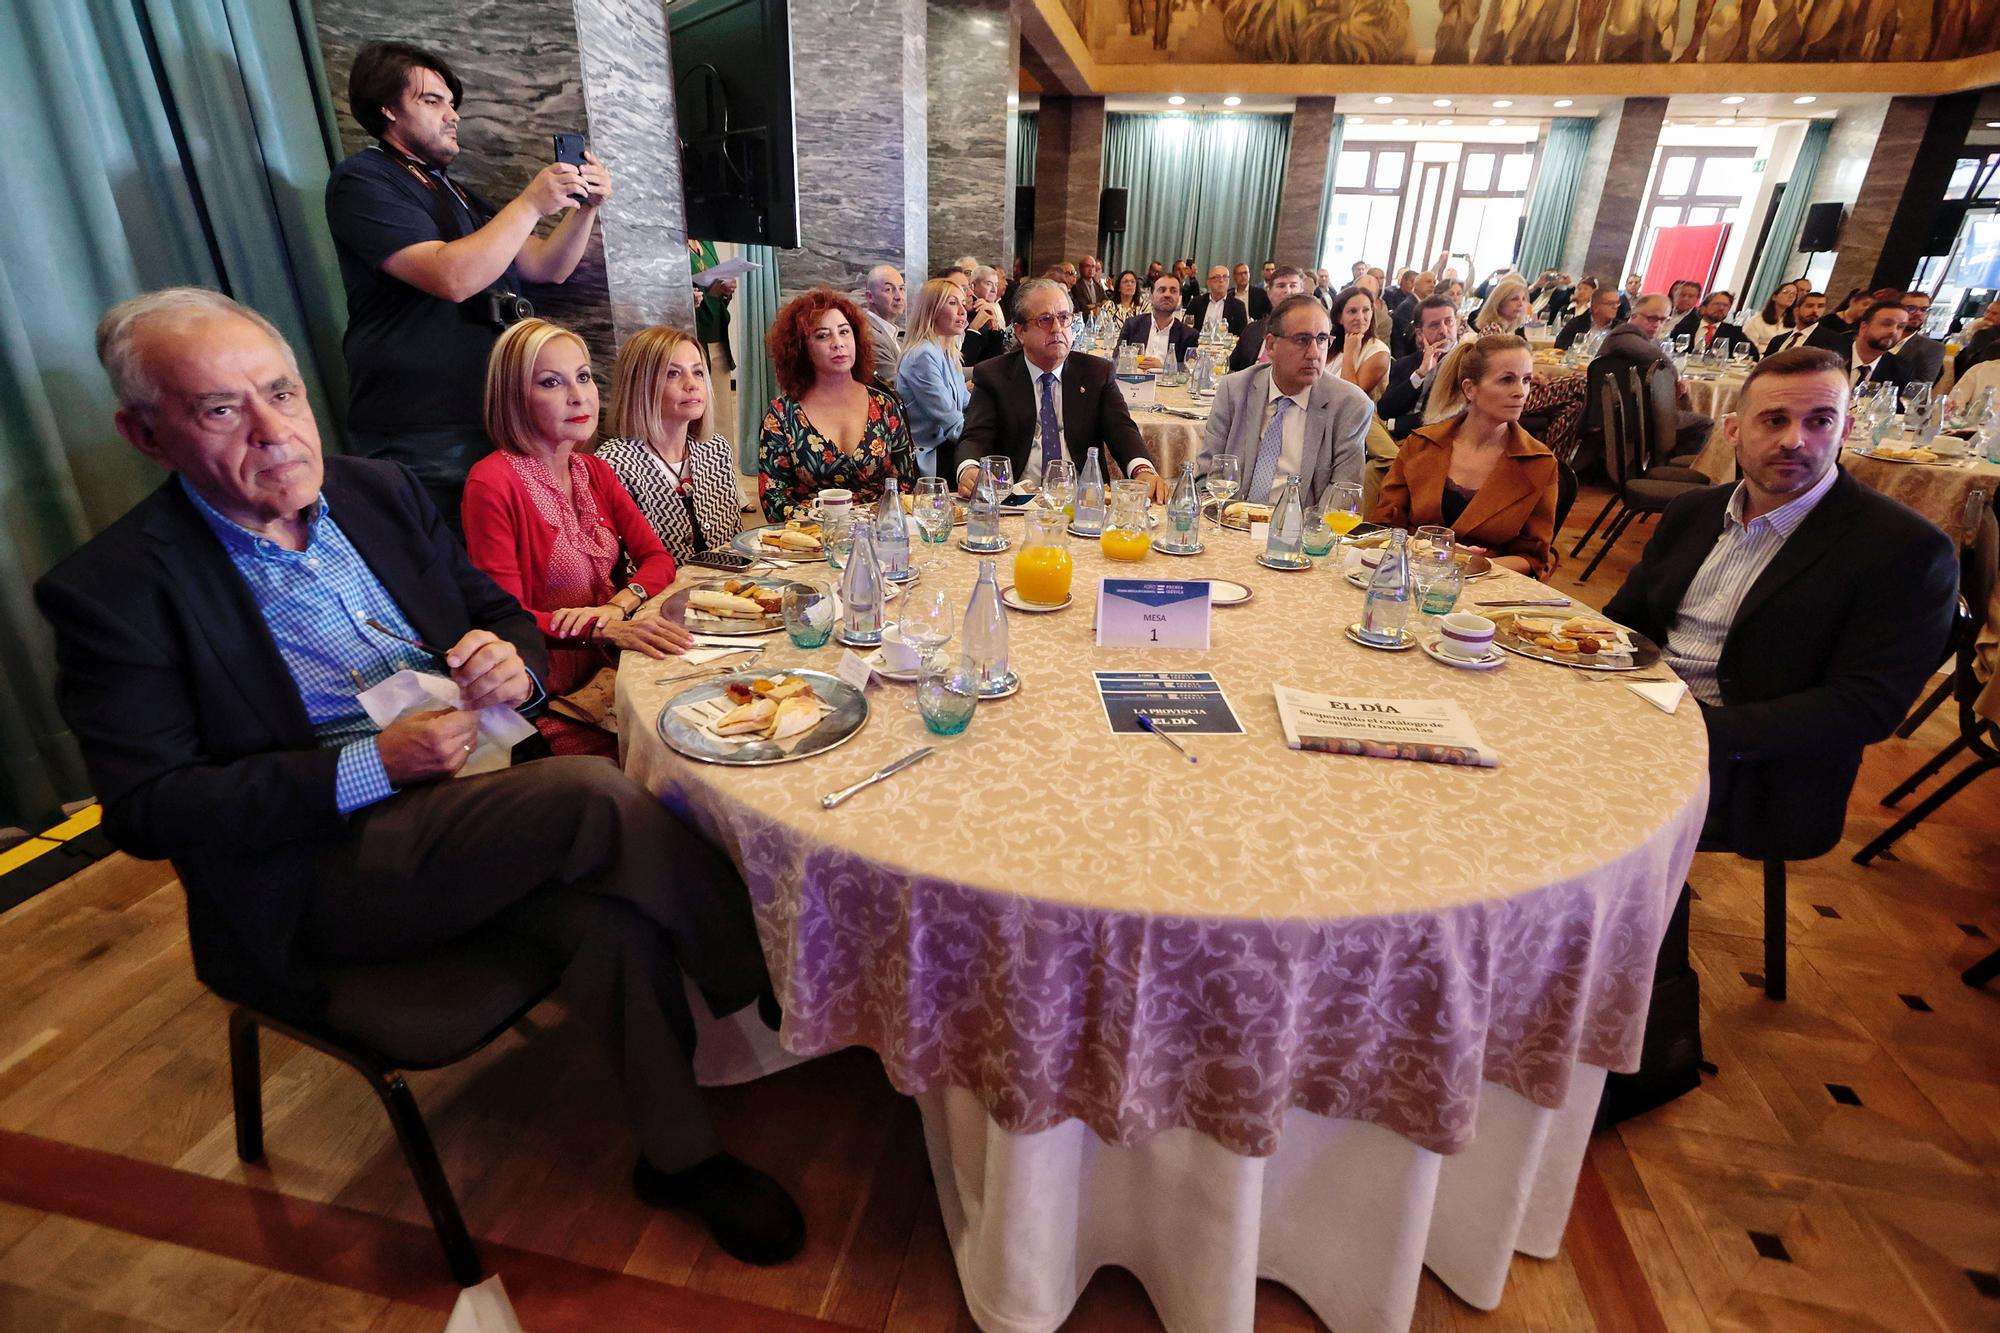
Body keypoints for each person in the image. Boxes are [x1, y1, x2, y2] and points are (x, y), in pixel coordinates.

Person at [39, 288, 805, 1264]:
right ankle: (765, 983)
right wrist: (367, 766)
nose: (275, 430)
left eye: (282, 392)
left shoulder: (375, 492)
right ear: (146, 434)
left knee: (609, 921)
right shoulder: (115, 590)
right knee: (593, 795)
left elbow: (507, 616)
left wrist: (507, 660)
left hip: (473, 798)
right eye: (222, 408)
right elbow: (149, 809)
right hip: (321, 868)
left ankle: (679, 1156)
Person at [1603, 346, 1957, 859]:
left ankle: (1634, 933)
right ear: (1733, 430)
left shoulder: (1904, 549)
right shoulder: (1694, 511)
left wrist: (1691, 733)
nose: (1795, 441)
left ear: (1846, 429)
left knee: (1566, 811)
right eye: (1774, 420)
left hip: (1754, 768)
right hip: (1641, 717)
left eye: (1819, 421)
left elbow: (1868, 706)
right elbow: (1625, 621)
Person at [324, 40, 613, 531]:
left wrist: (585, 208)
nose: (452, 115)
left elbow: (546, 267)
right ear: (387, 109)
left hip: (492, 413)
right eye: (432, 101)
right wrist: (529, 204)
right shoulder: (363, 180)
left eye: (452, 104)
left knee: (503, 571)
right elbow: (452, 277)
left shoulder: (454, 188)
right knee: (450, 572)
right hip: (421, 425)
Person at [461, 319, 686, 757]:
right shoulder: (492, 482)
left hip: (617, 665)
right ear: (514, 399)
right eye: (551, 382)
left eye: (583, 377)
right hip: (550, 694)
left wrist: (619, 606)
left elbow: (658, 559)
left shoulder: (593, 470)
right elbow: (509, 618)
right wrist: (602, 627)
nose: (578, 395)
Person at [953, 278, 1166, 501]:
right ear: (1020, 332)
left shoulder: (1096, 373)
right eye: (1045, 320)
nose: (1057, 329)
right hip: (1015, 500)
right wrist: (969, 469)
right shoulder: (994, 375)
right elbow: (975, 437)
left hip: (1084, 500)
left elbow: (1122, 430)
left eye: (1064, 318)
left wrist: (1143, 470)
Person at [1371, 334, 1558, 577]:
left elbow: (1534, 558)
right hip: (1410, 575)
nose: (1520, 392)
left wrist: (1474, 564)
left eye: (1526, 380)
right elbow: (1385, 526)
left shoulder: (1538, 463)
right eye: (1507, 380)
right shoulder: (1421, 445)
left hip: (1487, 590)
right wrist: (1436, 552)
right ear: (1470, 389)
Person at [1195, 295, 1372, 508]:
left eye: (1322, 339)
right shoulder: (1234, 390)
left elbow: (1342, 499)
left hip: (1301, 532)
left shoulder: (1350, 406)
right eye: (1302, 340)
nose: (1315, 353)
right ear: (1271, 345)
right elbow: (1206, 478)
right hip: (1231, 523)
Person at [759, 287, 917, 520]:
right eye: (822, 335)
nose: (838, 343)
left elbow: (906, 483)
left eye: (844, 332)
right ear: (802, 348)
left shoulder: (884, 404)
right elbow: (773, 499)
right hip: (810, 540)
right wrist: (829, 521)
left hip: (878, 532)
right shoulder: (782, 415)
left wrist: (866, 521)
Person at [598, 325, 744, 566]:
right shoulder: (613, 464)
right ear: (641, 385)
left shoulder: (715, 449)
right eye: (672, 374)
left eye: (698, 372)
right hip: (655, 599)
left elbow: (734, 547)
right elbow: (624, 568)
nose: (692, 384)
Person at [1591, 294, 1715, 459]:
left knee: (1690, 418)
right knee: (1704, 423)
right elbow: (1661, 362)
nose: (1657, 324)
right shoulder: (1623, 336)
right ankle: (1677, 472)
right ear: (1634, 315)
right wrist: (1677, 379)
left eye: (1663, 320)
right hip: (1628, 415)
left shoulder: (1648, 340)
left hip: (1636, 411)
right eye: (1652, 318)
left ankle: (1664, 465)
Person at [896, 277, 973, 477]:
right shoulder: (923, 355)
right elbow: (950, 421)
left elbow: (967, 404)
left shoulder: (948, 352)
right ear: (932, 309)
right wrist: (983, 441)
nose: (963, 311)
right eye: (953, 303)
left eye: (963, 304)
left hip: (948, 446)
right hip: (930, 455)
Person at [1378, 296, 1461, 439]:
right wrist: (1420, 374)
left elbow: (1449, 413)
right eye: (1434, 325)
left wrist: (1394, 424)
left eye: (1449, 322)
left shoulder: (1466, 362)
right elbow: (1385, 410)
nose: (1444, 330)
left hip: (1437, 437)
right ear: (1420, 333)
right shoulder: (1406, 363)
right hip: (1396, 437)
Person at [688, 239, 738, 450]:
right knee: (697, 423)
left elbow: (714, 296)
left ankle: (724, 474)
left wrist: (725, 291)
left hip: (717, 340)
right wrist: (685, 299)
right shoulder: (666, 242)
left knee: (722, 419)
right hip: (690, 343)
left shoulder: (705, 242)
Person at [1227, 266, 1310, 372]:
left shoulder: (1311, 333)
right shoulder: (1253, 330)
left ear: (1301, 291)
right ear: (1269, 292)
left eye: (1293, 286)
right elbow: (1232, 366)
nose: (1288, 291)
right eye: (1281, 286)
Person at [1328, 285, 1393, 397]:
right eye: (1353, 311)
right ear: (1339, 318)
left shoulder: (1379, 352)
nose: (1360, 317)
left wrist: (1349, 355)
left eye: (1366, 310)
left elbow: (1350, 398)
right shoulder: (1330, 344)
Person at [1122, 273, 1198, 366]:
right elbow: (1116, 359)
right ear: (1151, 296)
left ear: (1179, 298)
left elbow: (1190, 368)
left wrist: (1164, 367)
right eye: (1162, 290)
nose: (1167, 294)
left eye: (1173, 291)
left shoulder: (1189, 335)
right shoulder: (1132, 325)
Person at [1846, 300, 1913, 392]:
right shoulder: (1829, 355)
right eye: (1886, 324)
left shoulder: (1900, 370)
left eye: (1900, 326)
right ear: (1864, 327)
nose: (1894, 331)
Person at [1672, 290, 1757, 358]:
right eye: (1717, 304)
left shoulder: (1734, 332)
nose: (1721, 308)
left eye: (1726, 305)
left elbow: (1753, 354)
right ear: (1703, 309)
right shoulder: (1684, 327)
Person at [859, 264, 906, 385]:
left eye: (901, 289)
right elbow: (896, 385)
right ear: (870, 297)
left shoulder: (901, 333)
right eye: (889, 289)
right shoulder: (869, 334)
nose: (899, 297)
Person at [1893, 290, 1945, 386]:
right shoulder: (1880, 337)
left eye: (1924, 310)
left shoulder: (1932, 348)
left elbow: (1921, 386)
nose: (1918, 314)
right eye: (1911, 308)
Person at [962, 265, 1009, 367]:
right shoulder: (968, 312)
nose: (994, 290)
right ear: (973, 286)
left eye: (996, 285)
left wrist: (995, 328)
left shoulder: (994, 307)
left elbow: (994, 357)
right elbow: (965, 363)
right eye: (989, 284)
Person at [1554, 284, 1623, 351]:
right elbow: (1559, 349)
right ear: (1595, 307)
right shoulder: (1576, 324)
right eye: (1610, 303)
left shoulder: (1621, 329)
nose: (1615, 307)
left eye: (1617, 303)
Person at [1804, 286, 1872, 352]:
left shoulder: (1863, 326)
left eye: (1871, 307)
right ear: (1853, 301)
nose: (1867, 309)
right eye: (1865, 304)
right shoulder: (1829, 320)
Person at [1187, 265, 1248, 337]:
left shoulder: (1238, 306)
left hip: (1226, 347)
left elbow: (1242, 336)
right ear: (1208, 282)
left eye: (1225, 277)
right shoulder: (1196, 302)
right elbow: (1186, 327)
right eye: (1217, 277)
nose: (1221, 281)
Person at [1740, 284, 1798, 354]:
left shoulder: (1794, 322)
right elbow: (1749, 347)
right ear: (1774, 297)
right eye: (1785, 292)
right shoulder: (1756, 320)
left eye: (1794, 294)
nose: (1790, 296)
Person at [1764, 290, 1825, 355]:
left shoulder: (1830, 341)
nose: (1815, 310)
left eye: (1820, 306)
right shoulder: (1777, 340)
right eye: (1809, 306)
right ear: (1796, 311)